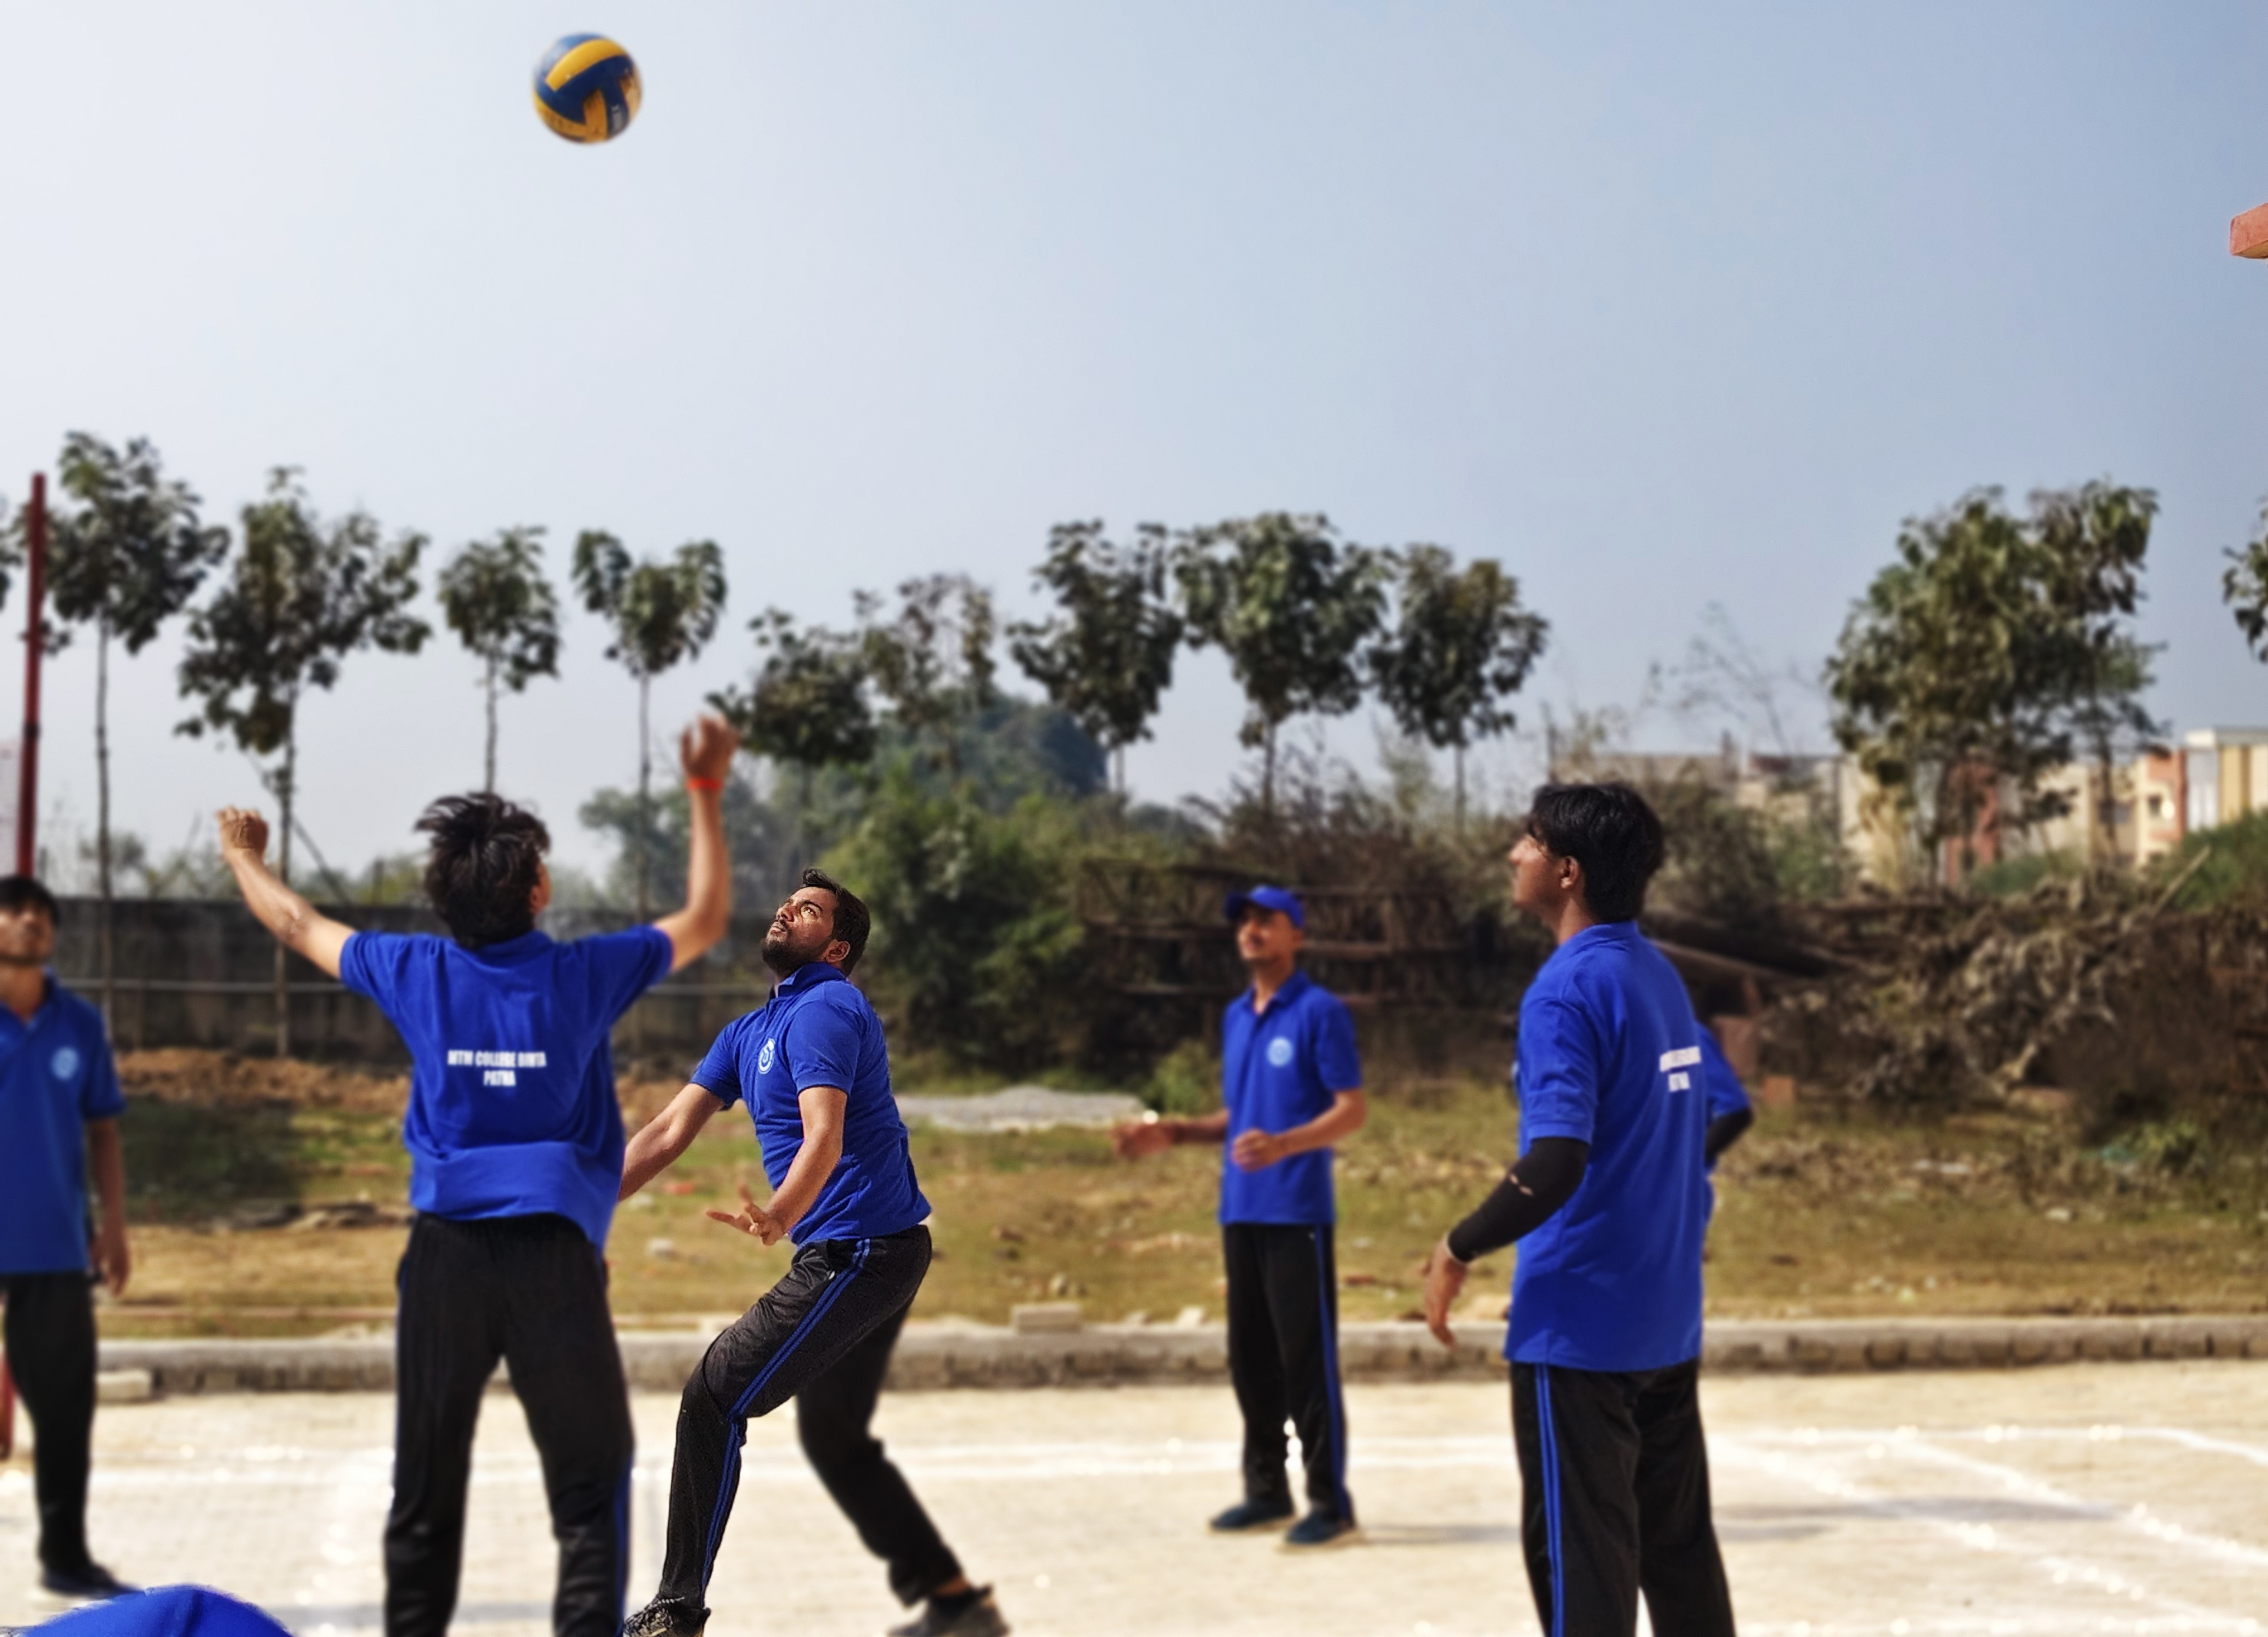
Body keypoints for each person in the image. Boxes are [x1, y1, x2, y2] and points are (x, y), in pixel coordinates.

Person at [216, 716, 739, 1637]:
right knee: (589, 1490)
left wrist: (243, 854)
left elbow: (295, 922)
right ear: (537, 890)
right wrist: (704, 789)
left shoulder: (414, 968)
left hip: (445, 1258)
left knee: (424, 1491)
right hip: (554, 1260)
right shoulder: (586, 973)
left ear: (443, 904)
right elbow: (703, 919)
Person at [616, 869, 1005, 1637]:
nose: (786, 911)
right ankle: (958, 1604)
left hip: (862, 1253)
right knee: (835, 1437)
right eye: (788, 903)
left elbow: (823, 1134)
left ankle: (675, 1612)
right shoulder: (748, 1032)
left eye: (809, 911)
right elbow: (665, 1135)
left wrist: (781, 1214)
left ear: (835, 947)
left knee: (713, 1398)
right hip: (877, 1251)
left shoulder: (829, 1005)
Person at [1422, 783, 1736, 1637]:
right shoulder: (1657, 976)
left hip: (1583, 1332)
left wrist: (1458, 1246)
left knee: (1581, 1573)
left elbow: (1557, 1160)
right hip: (1664, 1321)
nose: (1513, 855)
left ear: (1566, 872)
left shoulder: (1565, 992)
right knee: (1678, 1557)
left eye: (1528, 841)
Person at [1112, 884, 1367, 1549]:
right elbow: (1239, 1117)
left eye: (1266, 920)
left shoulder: (1319, 1012)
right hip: (1242, 1209)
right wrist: (1178, 1132)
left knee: (1305, 1358)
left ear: (1296, 935)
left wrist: (1286, 1143)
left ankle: (1330, 1503)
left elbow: (1351, 1108)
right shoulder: (1236, 1016)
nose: (1251, 931)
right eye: (1244, 922)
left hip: (1298, 1212)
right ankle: (1266, 1489)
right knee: (1251, 1358)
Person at [0, 876, 133, 1602]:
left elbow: (104, 1127)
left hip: (53, 1244)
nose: (29, 922)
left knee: (64, 1411)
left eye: (41, 914)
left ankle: (67, 1554)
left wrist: (113, 1225)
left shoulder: (79, 1025)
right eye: (15, 910)